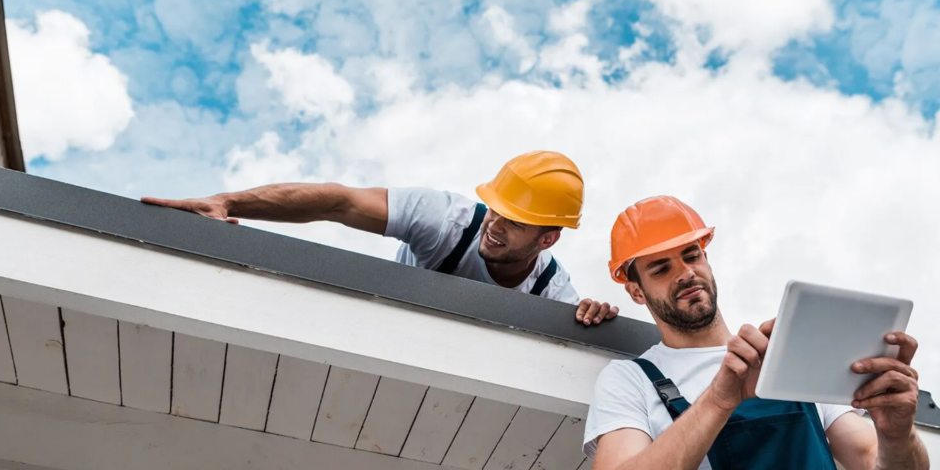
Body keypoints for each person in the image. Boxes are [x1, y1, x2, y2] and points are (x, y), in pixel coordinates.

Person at [584, 196, 929, 470]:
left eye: (691, 254)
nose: (685, 273)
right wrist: (719, 399)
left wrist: (898, 434)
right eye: (661, 268)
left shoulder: (787, 353)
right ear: (636, 292)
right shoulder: (632, 381)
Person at [142, 150, 618, 325]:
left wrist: (598, 316)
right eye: (497, 207)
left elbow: (581, 341)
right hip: (395, 326)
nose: (494, 223)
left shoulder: (551, 292)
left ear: (547, 240)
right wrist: (227, 203)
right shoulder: (446, 220)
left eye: (515, 220)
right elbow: (338, 200)